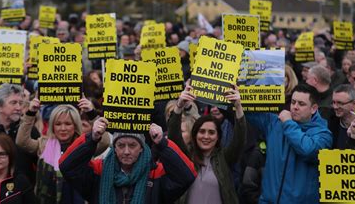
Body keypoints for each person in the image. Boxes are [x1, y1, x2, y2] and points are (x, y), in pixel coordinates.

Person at [59, 118, 197, 204]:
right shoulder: (99, 170)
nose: (126, 151)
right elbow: (66, 166)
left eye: (132, 145)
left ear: (142, 148)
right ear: (114, 148)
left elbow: (187, 176)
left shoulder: (155, 173)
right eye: (120, 145)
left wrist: (162, 144)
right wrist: (91, 139)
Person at [245, 84, 332, 203]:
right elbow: (247, 112)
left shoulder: (323, 134)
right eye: (293, 102)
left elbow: (308, 150)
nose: (295, 107)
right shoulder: (275, 123)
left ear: (314, 108)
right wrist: (241, 97)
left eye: (301, 104)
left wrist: (288, 123)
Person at [16, 101, 110, 204]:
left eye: (68, 124)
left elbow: (104, 142)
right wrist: (31, 113)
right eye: (58, 124)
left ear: (75, 125)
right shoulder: (44, 145)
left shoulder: (85, 145)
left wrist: (92, 113)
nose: (63, 128)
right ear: (52, 126)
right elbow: (22, 141)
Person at [167, 85, 247, 203]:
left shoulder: (224, 158)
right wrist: (179, 105)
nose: (206, 136)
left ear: (218, 137)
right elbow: (173, 135)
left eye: (211, 132)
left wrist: (238, 106)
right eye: (202, 131)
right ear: (195, 134)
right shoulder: (186, 156)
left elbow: (239, 139)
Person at [0, 83, 40, 184]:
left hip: (23, 192)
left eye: (20, 103)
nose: (19, 108)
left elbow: (41, 163)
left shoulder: (30, 131)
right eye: (13, 103)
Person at [329, 84, 355, 149]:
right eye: (333, 102)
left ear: (354, 103)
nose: (335, 107)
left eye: (340, 103)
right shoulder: (330, 121)